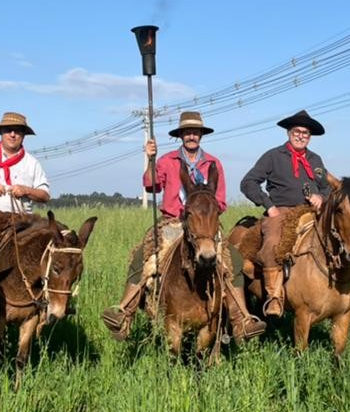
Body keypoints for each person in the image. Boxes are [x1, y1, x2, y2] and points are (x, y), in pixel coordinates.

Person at [101, 111, 264, 341]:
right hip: (173, 223)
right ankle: (124, 315)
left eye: (195, 132)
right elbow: (151, 184)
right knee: (144, 256)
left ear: (201, 135)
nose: (191, 136)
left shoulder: (213, 163)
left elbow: (221, 202)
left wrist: (203, 215)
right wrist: (150, 159)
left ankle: (241, 321)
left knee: (233, 261)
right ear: (181, 135)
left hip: (205, 226)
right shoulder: (167, 161)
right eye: (187, 132)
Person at [239, 109, 330, 317]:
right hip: (281, 212)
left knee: (339, 239)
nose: (300, 136)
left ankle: (342, 301)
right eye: (297, 131)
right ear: (289, 133)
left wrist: (321, 198)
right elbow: (248, 182)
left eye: (305, 133)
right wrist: (269, 206)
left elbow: (327, 187)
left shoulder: (316, 160)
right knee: (272, 243)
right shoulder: (273, 156)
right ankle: (274, 297)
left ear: (310, 137)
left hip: (311, 213)